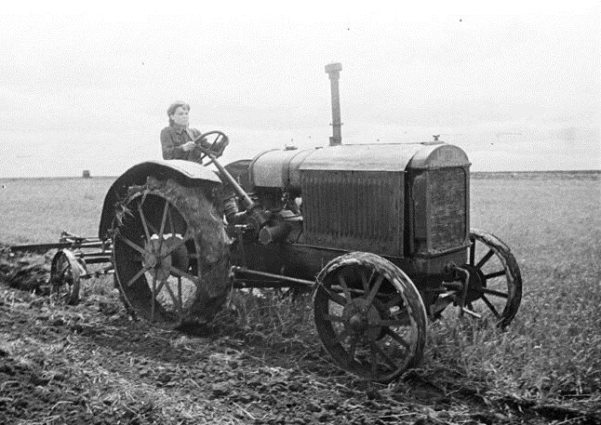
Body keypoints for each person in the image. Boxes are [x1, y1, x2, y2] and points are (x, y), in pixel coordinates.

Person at [160, 101, 226, 162]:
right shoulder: (167, 132)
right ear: (172, 117)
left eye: (186, 113)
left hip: (196, 169)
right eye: (181, 114)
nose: (185, 116)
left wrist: (222, 143)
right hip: (179, 171)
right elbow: (166, 155)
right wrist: (183, 148)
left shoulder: (195, 133)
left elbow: (212, 150)